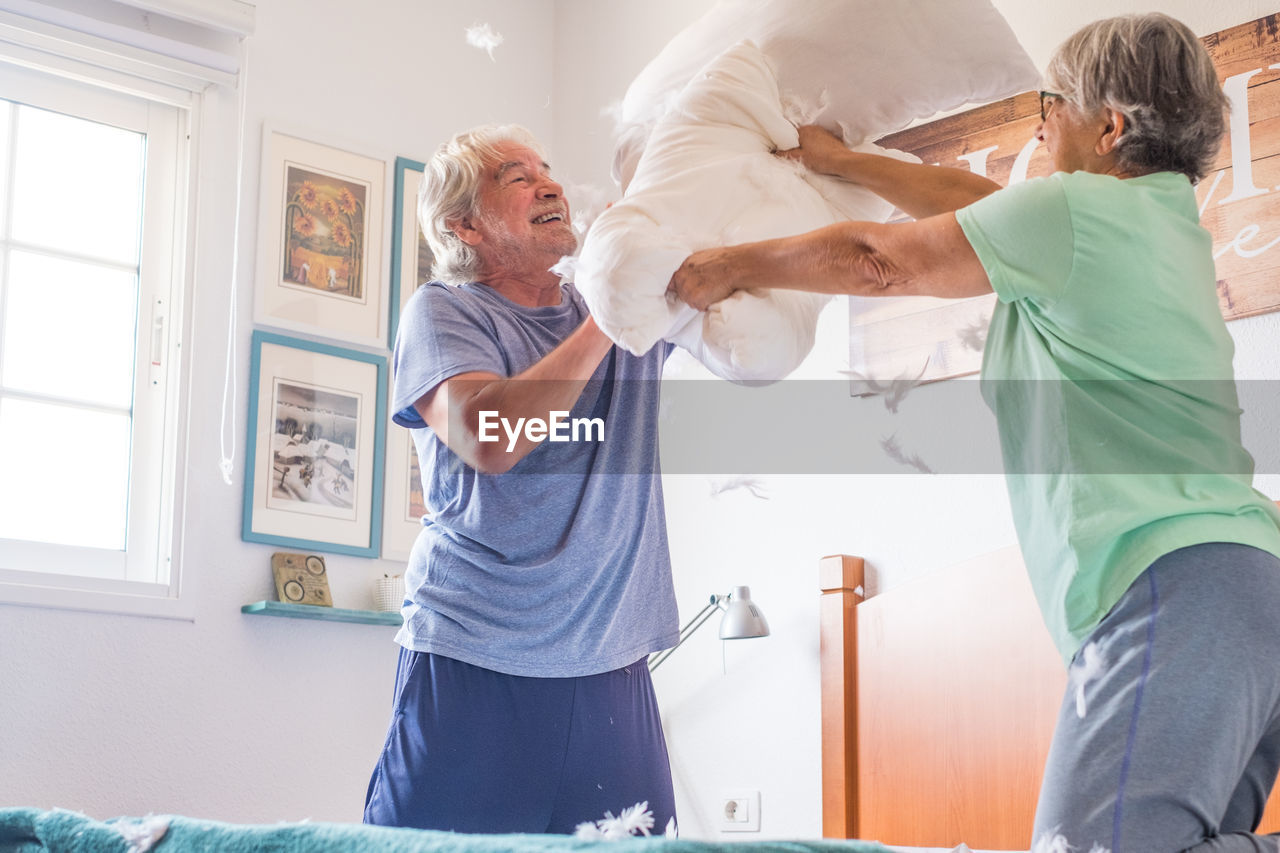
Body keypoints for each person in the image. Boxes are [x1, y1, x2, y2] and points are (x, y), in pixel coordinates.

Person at [670, 13, 1280, 852]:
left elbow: (879, 258)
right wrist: (843, 161)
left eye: (1054, 102)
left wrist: (724, 264)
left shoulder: (1079, 217)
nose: (1040, 120)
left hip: (1169, 579)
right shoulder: (1153, 222)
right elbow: (983, 205)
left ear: (1109, 127)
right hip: (1246, 583)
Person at [363, 124, 679, 835]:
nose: (550, 184)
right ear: (464, 225)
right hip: (475, 660)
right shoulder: (444, 311)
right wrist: (609, 309)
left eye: (548, 170)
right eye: (516, 176)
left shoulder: (623, 309)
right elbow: (489, 436)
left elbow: (726, 277)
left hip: (612, 668)